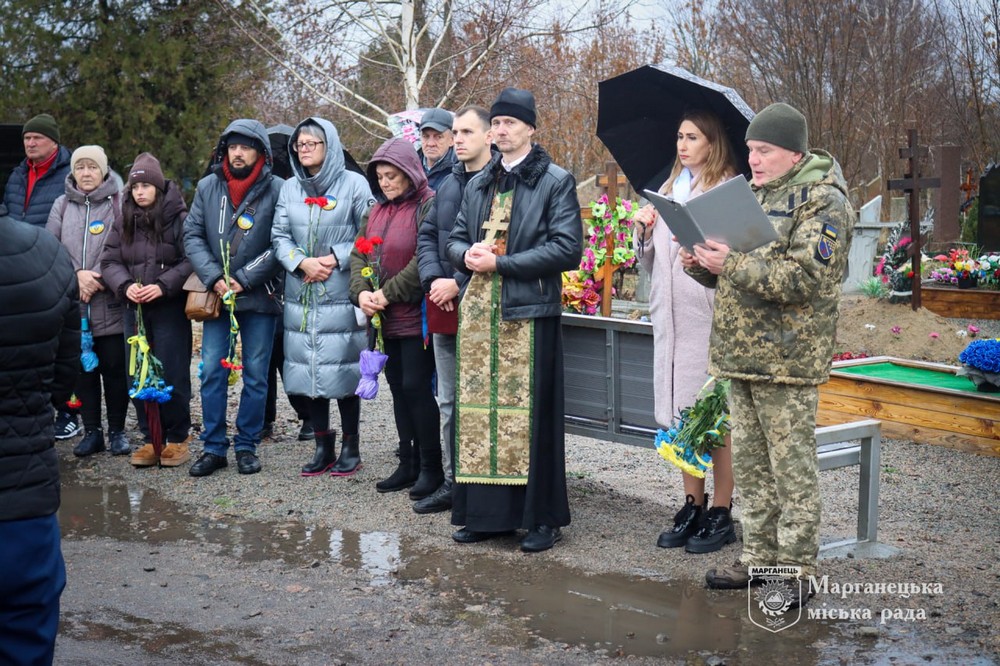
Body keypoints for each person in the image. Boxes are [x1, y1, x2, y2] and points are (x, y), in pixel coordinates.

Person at [683, 103, 855, 607]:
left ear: (795, 153)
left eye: (764, 151)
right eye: (751, 150)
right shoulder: (753, 195)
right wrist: (699, 262)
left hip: (788, 360)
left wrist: (731, 264)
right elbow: (734, 272)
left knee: (791, 470)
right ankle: (759, 558)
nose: (753, 160)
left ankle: (798, 568)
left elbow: (805, 278)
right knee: (753, 468)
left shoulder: (824, 203)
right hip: (741, 355)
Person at [446, 88, 583, 552]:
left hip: (529, 314)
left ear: (530, 129)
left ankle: (542, 519)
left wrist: (501, 264)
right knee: (479, 417)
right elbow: (454, 239)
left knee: (533, 419)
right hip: (480, 317)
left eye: (511, 123)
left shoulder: (555, 181)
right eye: (497, 123)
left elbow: (568, 249)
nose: (501, 130)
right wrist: (466, 254)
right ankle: (488, 517)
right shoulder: (478, 183)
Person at [632, 111, 739, 553]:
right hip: (670, 321)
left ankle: (722, 510)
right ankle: (692, 504)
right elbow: (651, 263)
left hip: (706, 321)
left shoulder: (725, 192)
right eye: (679, 136)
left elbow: (735, 259)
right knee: (681, 418)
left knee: (713, 420)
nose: (682, 144)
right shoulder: (668, 190)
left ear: (713, 143)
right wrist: (644, 231)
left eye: (692, 137)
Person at [0, 202, 79, 666]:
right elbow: (62, 380)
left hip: (26, 489)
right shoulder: (47, 252)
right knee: (25, 638)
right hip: (25, 499)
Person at [273, 118, 373, 477]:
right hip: (302, 291)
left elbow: (369, 231)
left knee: (343, 369)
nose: (304, 149)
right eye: (299, 144)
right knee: (309, 370)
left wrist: (334, 257)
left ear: (328, 146)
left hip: (340, 290)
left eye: (311, 143)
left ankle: (351, 446)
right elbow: (279, 235)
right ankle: (322, 444)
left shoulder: (354, 184)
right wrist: (301, 263)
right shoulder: (290, 188)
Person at [183, 120, 284, 477]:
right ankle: (213, 447)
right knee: (211, 371)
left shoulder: (278, 189)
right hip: (217, 297)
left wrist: (244, 278)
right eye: (232, 147)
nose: (238, 153)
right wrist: (215, 278)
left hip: (260, 297)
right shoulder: (208, 186)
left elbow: (281, 242)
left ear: (261, 153)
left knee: (256, 375)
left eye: (246, 147)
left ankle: (246, 445)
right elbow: (192, 235)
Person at [349, 137, 442, 500]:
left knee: (417, 388)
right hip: (384, 319)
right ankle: (408, 462)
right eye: (380, 177)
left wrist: (388, 293)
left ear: (410, 172)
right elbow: (359, 255)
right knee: (398, 389)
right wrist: (361, 293)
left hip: (416, 316)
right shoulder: (374, 211)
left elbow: (424, 258)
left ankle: (432, 467)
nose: (385, 183)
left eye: (392, 176)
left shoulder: (428, 205)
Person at [413, 105, 494, 515]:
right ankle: (452, 482)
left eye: (465, 132)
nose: (457, 139)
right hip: (444, 304)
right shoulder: (447, 185)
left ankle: (482, 486)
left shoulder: (500, 183)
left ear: (488, 136)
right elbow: (428, 235)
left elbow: (497, 245)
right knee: (448, 401)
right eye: (455, 132)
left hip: (483, 307)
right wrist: (434, 281)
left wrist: (456, 283)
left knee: (482, 401)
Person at [101, 152, 194, 468]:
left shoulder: (179, 218)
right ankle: (151, 438)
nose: (140, 192)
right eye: (135, 186)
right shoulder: (123, 218)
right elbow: (109, 261)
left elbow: (190, 260)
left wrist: (164, 286)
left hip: (169, 308)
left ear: (158, 187)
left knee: (171, 371)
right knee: (137, 374)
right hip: (134, 309)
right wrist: (125, 285)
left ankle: (177, 438)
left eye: (146, 186)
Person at [46, 145, 131, 457]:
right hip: (75, 306)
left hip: (110, 302)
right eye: (80, 167)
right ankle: (93, 431)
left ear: (103, 171)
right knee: (83, 373)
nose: (86, 173)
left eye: (92, 167)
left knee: (115, 370)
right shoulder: (62, 205)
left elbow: (126, 247)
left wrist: (97, 277)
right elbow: (50, 248)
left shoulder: (119, 202)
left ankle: (118, 431)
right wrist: (77, 276)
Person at [3, 113, 81, 441]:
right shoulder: (16, 175)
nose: (30, 143)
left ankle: (70, 411)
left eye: (37, 138)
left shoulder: (69, 175)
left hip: (53, 269)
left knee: (67, 343)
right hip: (19, 271)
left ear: (54, 142)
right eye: (26, 138)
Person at [262, 124, 313, 442]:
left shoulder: (302, 189)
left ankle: (308, 415)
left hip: (292, 278)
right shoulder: (261, 189)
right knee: (262, 357)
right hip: (262, 281)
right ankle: (263, 419)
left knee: (290, 354)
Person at [418, 108, 456, 191]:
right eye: (425, 136)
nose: (430, 144)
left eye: (438, 137)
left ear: (452, 140)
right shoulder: (409, 167)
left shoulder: (460, 171)